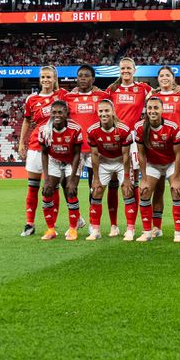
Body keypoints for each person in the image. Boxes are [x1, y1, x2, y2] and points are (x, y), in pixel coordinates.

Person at [149, 65, 180, 238]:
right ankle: (157, 227)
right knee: (158, 189)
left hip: (177, 147)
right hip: (155, 147)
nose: (164, 78)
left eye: (167, 75)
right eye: (161, 75)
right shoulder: (152, 97)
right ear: (158, 79)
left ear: (173, 78)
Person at [18, 66, 67, 237]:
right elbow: (26, 121)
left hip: (56, 148)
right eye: (43, 77)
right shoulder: (32, 99)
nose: (46, 80)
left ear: (55, 79)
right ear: (40, 79)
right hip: (35, 146)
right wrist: (21, 143)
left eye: (49, 77)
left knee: (53, 188)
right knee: (32, 187)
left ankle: (52, 225)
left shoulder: (61, 96)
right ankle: (29, 224)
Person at [106, 57, 153, 235]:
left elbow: (158, 101)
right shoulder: (112, 89)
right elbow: (102, 108)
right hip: (114, 138)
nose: (125, 71)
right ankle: (113, 225)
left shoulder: (143, 88)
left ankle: (131, 226)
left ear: (134, 70)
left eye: (128, 68)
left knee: (131, 182)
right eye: (123, 68)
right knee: (112, 182)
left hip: (133, 140)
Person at [63, 65, 112, 231]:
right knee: (69, 185)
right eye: (80, 76)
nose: (83, 78)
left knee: (95, 187)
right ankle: (76, 218)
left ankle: (93, 223)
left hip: (94, 149)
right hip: (75, 149)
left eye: (86, 75)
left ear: (93, 79)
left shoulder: (102, 96)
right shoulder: (68, 97)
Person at [133, 97, 180, 242]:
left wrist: (176, 177)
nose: (152, 111)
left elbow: (179, 154)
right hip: (153, 164)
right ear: (146, 110)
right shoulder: (139, 127)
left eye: (156, 108)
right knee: (144, 191)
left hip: (171, 163)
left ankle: (178, 232)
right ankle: (148, 231)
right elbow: (141, 154)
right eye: (150, 108)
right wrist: (143, 179)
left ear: (162, 110)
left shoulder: (172, 127)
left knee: (176, 190)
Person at [86, 100, 133, 241]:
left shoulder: (123, 130)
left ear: (113, 112)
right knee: (97, 191)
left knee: (127, 190)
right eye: (101, 111)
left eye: (107, 111)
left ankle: (130, 229)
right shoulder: (92, 130)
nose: (103, 114)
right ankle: (96, 230)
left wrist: (126, 177)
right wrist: (96, 179)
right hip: (104, 162)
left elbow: (126, 155)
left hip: (120, 161)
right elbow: (94, 155)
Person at [39, 101, 83, 241]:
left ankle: (73, 229)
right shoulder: (44, 129)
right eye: (54, 112)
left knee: (70, 190)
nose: (57, 115)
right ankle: (51, 229)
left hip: (71, 160)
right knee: (47, 191)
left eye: (60, 112)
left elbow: (77, 154)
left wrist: (71, 180)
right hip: (54, 160)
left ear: (66, 113)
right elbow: (44, 153)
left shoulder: (75, 128)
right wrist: (46, 179)